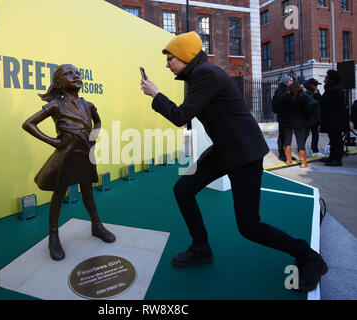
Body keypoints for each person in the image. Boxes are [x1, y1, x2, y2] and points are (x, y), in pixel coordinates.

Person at [140, 31, 327, 292]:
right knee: (183, 189)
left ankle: (309, 257)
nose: (167, 63)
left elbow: (181, 115)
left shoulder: (206, 75)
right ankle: (201, 248)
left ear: (185, 57)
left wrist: (155, 94)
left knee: (249, 226)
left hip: (244, 155)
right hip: (226, 150)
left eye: (171, 58)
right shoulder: (200, 75)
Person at [22, 64, 115, 261]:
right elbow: (28, 124)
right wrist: (55, 142)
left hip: (85, 154)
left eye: (77, 73)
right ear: (58, 83)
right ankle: (53, 237)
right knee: (59, 193)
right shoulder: (56, 105)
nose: (75, 76)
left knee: (88, 191)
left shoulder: (88, 105)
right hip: (66, 156)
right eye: (68, 74)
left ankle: (96, 226)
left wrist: (94, 136)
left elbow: (97, 121)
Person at [319, 70, 348, 166]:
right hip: (332, 118)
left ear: (331, 79)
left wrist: (316, 93)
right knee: (333, 138)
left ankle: (337, 159)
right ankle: (332, 156)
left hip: (335, 118)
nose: (325, 78)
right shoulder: (332, 88)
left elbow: (325, 101)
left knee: (336, 139)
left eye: (327, 77)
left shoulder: (335, 89)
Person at [279, 81, 310, 167]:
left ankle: (288, 160)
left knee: (287, 141)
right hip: (300, 122)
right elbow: (307, 111)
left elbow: (281, 110)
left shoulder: (285, 97)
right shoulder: (304, 97)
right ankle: (303, 162)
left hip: (287, 122)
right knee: (300, 142)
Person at [272, 76, 294, 162]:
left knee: (288, 137)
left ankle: (287, 154)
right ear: (285, 82)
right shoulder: (280, 91)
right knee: (283, 136)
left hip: (288, 117)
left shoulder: (286, 90)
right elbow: (281, 103)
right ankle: (282, 155)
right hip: (283, 117)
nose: (292, 82)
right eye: (290, 81)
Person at [303, 78, 324, 158]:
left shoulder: (316, 93)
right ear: (310, 85)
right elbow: (307, 104)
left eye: (316, 85)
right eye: (314, 85)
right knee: (305, 135)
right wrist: (317, 101)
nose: (316, 87)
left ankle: (314, 150)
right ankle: (301, 150)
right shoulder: (304, 94)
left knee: (316, 135)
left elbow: (321, 102)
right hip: (307, 118)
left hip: (315, 118)